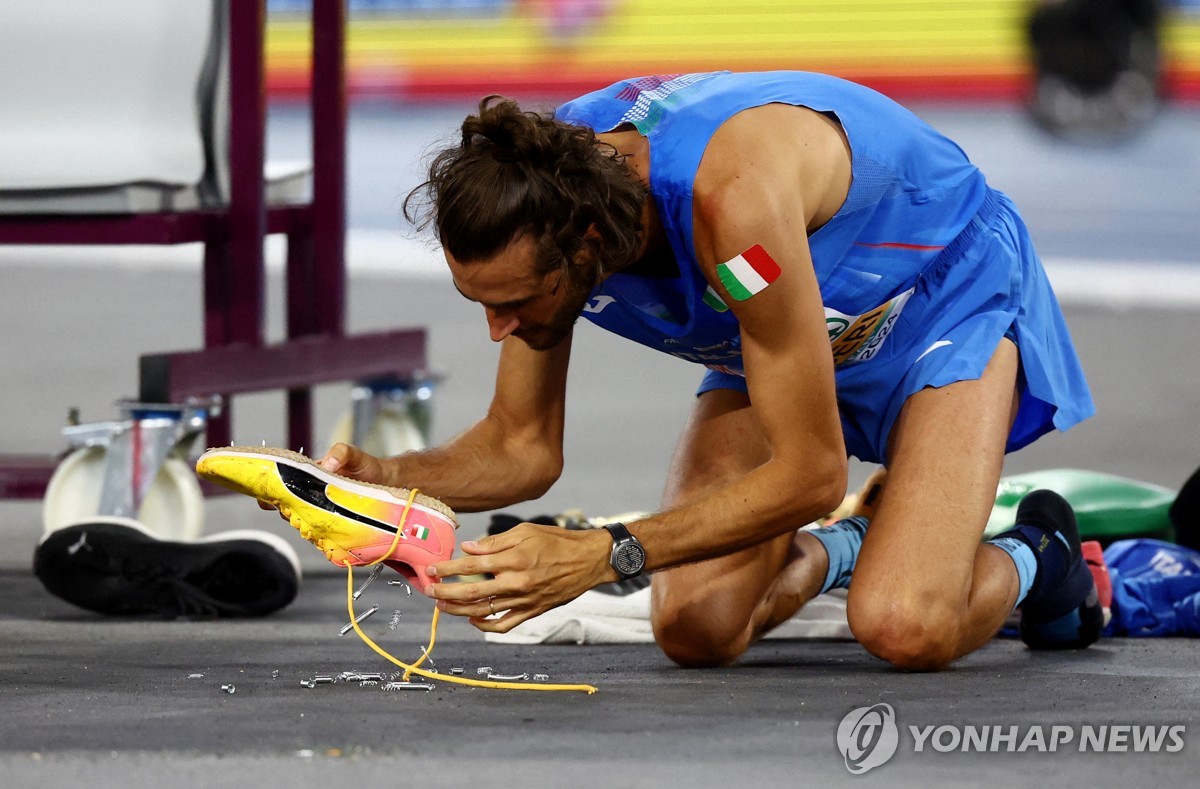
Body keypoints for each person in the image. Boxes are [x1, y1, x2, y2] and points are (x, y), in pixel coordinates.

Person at [316, 70, 1099, 671]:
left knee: (905, 623)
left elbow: (811, 472)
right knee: (698, 628)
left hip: (936, 304)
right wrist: (379, 478)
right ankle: (861, 542)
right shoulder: (538, 193)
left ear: (589, 241)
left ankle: (1043, 554)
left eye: (516, 303)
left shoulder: (732, 208)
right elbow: (521, 447)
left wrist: (605, 552)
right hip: (779, 327)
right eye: (480, 303)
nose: (499, 330)